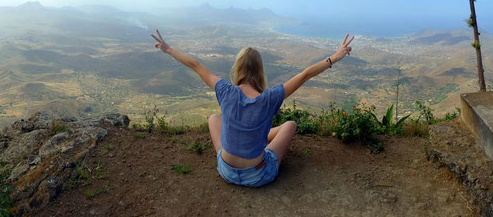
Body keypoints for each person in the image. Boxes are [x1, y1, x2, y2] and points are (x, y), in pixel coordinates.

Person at [151, 29, 354, 187]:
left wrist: (168, 49)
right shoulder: (269, 98)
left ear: (238, 68)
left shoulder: (224, 90)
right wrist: (334, 57)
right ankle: (257, 139)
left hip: (226, 171)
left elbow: (195, 65)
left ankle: (252, 139)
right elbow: (304, 75)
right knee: (290, 125)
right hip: (258, 175)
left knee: (213, 118)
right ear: (260, 71)